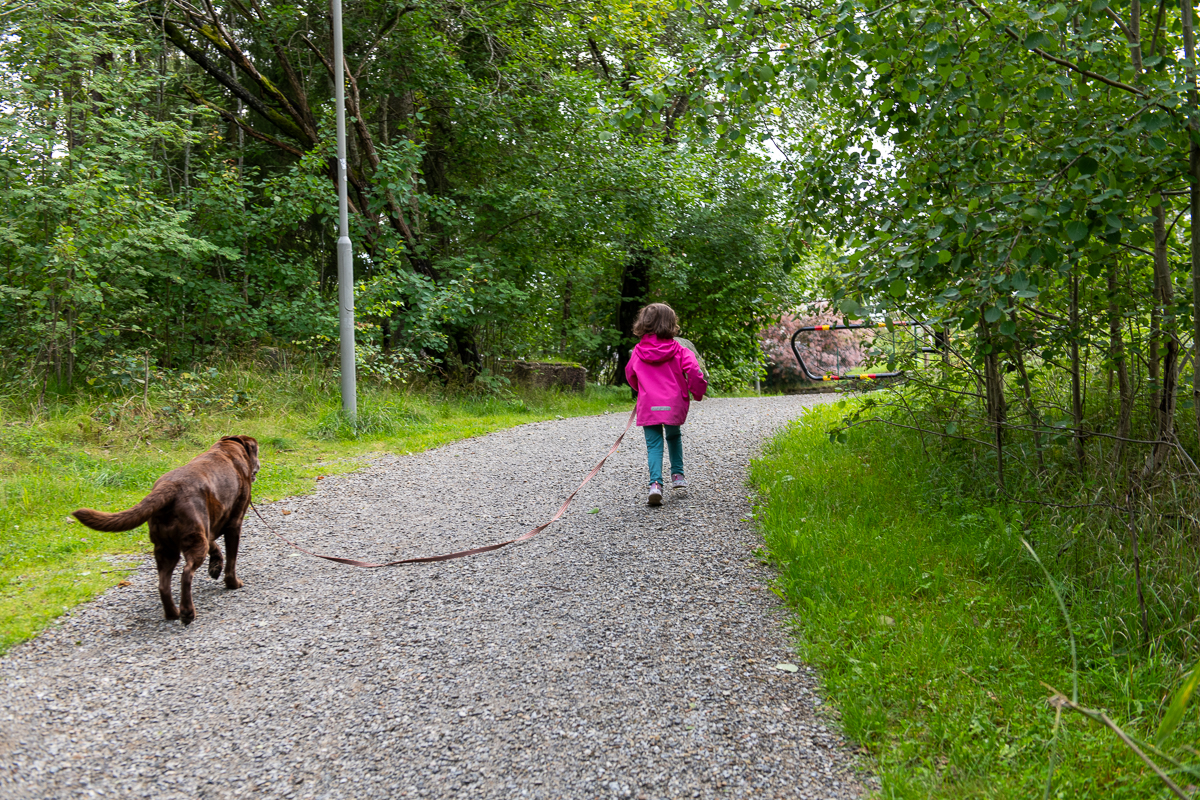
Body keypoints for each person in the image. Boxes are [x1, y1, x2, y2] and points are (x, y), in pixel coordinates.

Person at [624, 303, 708, 506]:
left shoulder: (638, 352)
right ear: (671, 324)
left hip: (649, 404)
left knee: (653, 444)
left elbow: (630, 374)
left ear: (643, 324)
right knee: (673, 435)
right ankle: (678, 476)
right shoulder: (680, 350)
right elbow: (695, 373)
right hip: (673, 403)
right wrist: (697, 393)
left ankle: (655, 484)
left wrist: (641, 389)